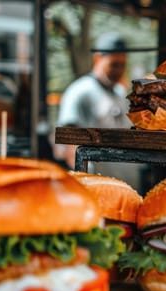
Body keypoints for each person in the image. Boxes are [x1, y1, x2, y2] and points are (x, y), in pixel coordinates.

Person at [55, 32, 142, 190]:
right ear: (97, 59)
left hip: (128, 188)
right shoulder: (80, 92)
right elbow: (70, 147)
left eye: (122, 65)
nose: (119, 70)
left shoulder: (120, 93)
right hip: (97, 190)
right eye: (114, 64)